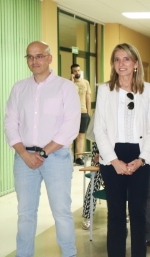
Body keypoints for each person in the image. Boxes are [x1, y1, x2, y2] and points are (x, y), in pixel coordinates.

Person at [4, 41, 80, 257]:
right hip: (24, 159)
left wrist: (44, 152)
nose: (34, 61)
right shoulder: (19, 88)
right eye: (30, 56)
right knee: (25, 214)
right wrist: (23, 153)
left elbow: (71, 126)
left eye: (39, 56)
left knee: (62, 213)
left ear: (49, 58)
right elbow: (10, 122)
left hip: (56, 157)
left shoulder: (65, 87)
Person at [94, 43, 150, 257]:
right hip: (112, 157)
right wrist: (114, 161)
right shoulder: (104, 90)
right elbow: (99, 130)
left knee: (139, 214)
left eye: (126, 59)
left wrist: (142, 159)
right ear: (113, 64)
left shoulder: (146, 89)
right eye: (117, 59)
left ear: (136, 64)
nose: (122, 64)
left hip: (140, 157)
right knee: (116, 215)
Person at [71, 63, 92, 165]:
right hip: (72, 113)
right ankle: (70, 156)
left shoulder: (86, 83)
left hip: (83, 112)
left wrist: (88, 113)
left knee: (81, 135)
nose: (77, 73)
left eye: (78, 70)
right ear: (72, 72)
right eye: (75, 71)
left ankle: (79, 157)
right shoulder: (69, 83)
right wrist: (71, 81)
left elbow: (88, 98)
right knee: (70, 136)